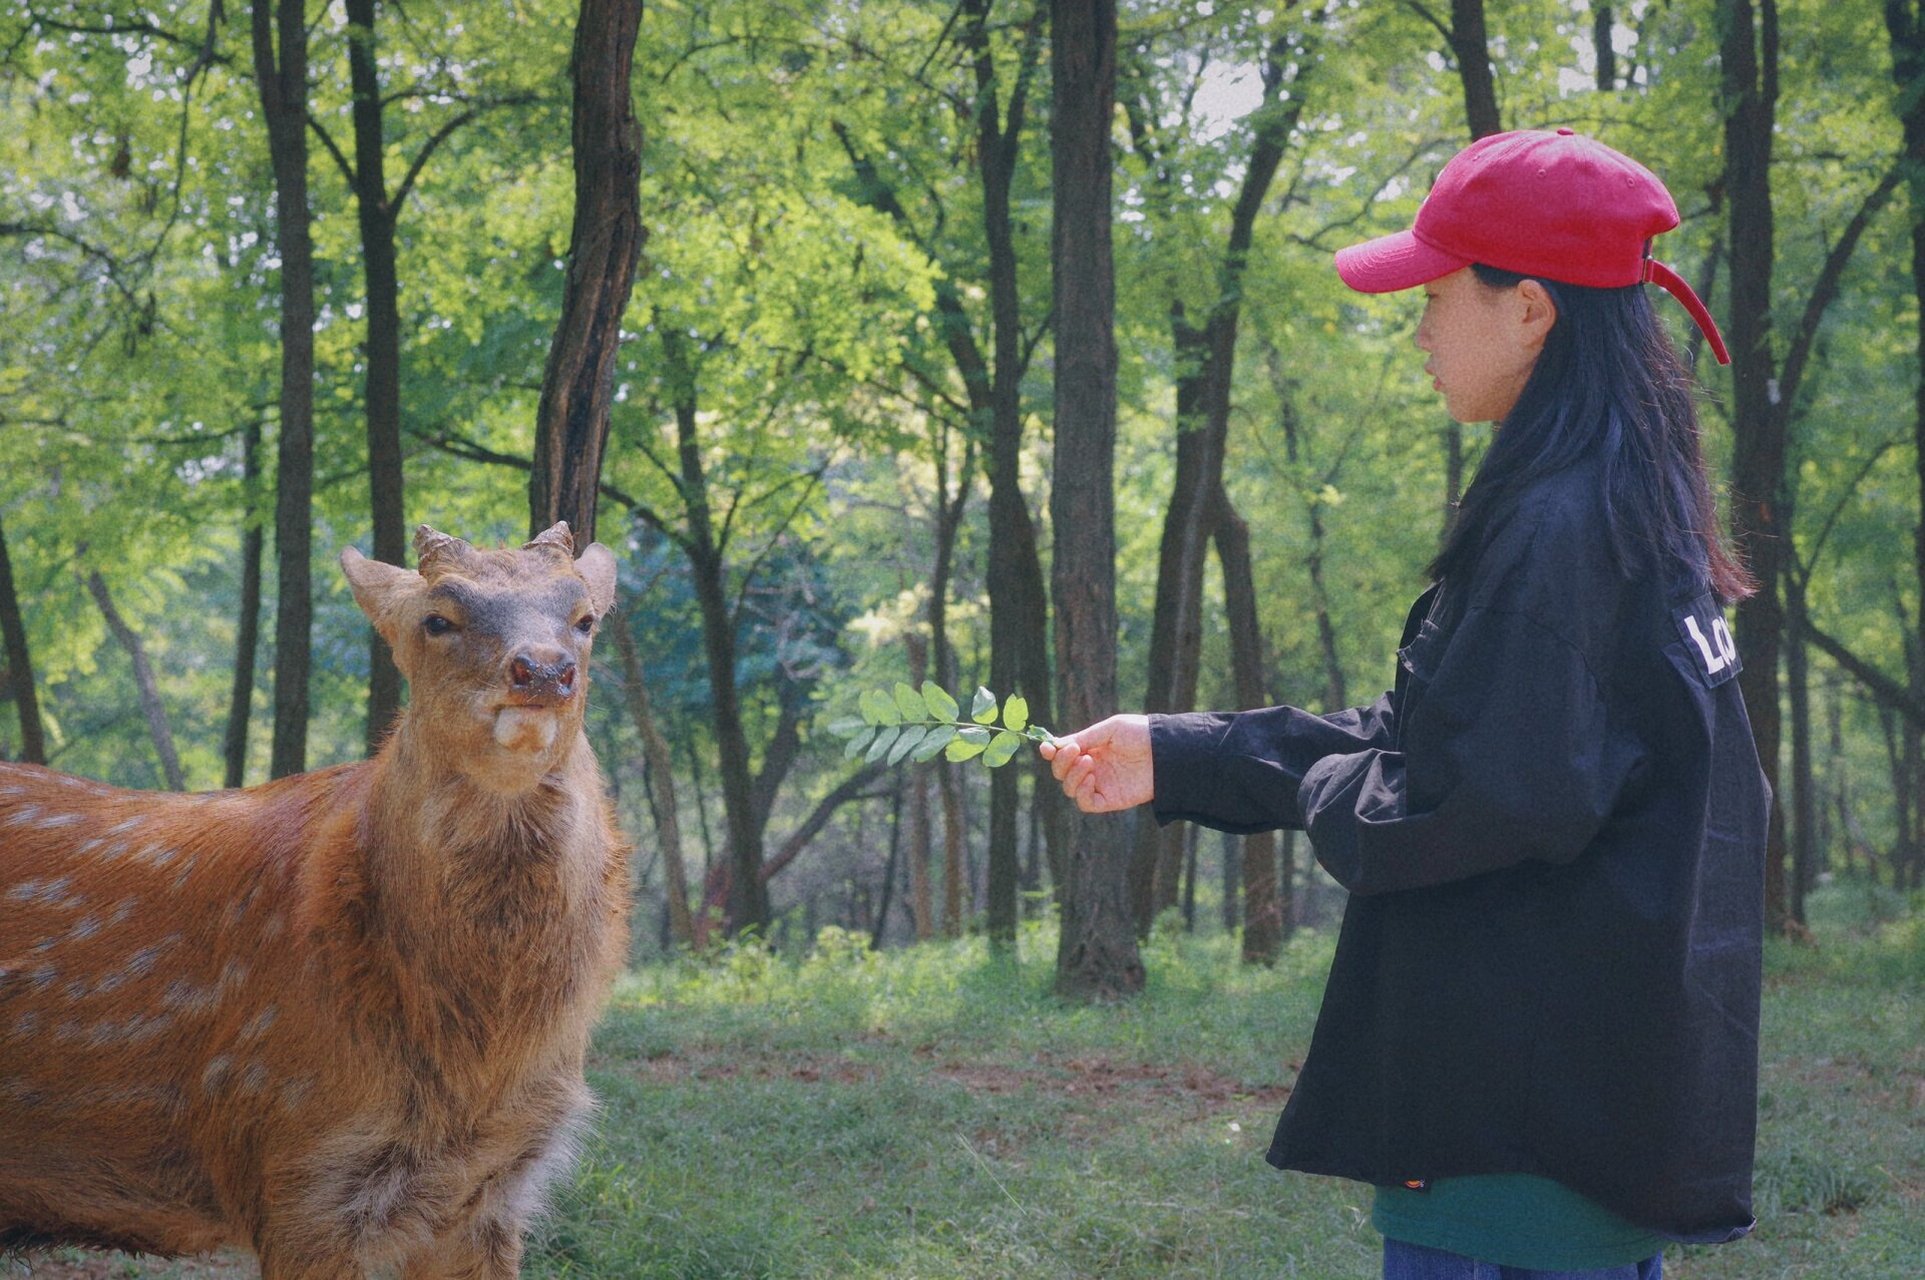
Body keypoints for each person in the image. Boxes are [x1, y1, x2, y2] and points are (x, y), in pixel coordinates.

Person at [1039, 128, 1769, 1280]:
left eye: (1436, 293)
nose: (1420, 325)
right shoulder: (1620, 511)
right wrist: (1176, 754)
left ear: (1529, 311)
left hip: (1512, 1145)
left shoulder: (1558, 533)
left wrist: (1329, 790)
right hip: (1577, 1119)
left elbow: (1461, 800)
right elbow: (1440, 739)